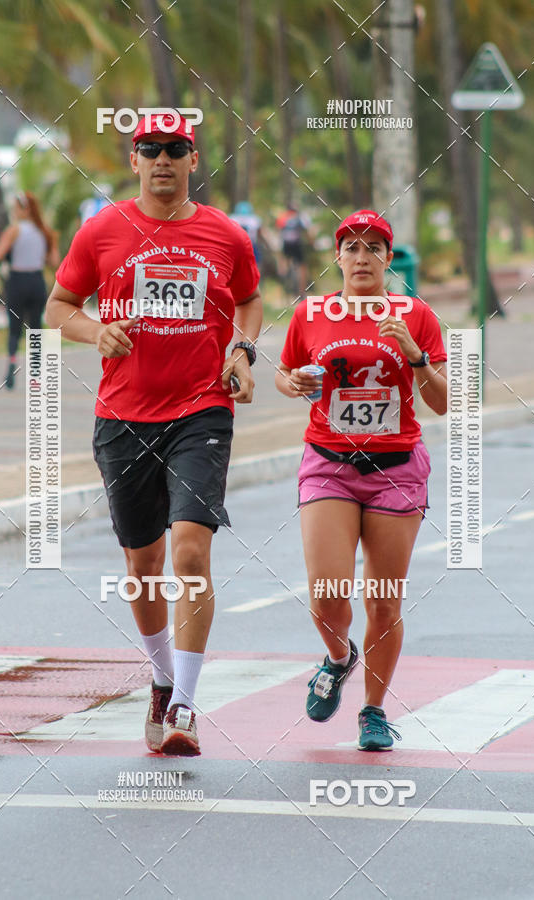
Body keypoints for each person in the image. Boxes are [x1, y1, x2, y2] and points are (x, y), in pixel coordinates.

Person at [45, 112, 262, 756]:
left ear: (193, 160)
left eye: (175, 149)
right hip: (123, 417)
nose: (162, 159)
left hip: (201, 410)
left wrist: (242, 350)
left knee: (192, 551)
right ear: (134, 159)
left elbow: (249, 298)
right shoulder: (102, 231)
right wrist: (96, 331)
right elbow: (59, 307)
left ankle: (188, 709)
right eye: (150, 149)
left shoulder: (224, 234)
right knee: (144, 565)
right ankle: (163, 680)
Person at [275, 209, 447, 751]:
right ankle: (338, 657)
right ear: (338, 257)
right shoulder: (312, 313)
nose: (362, 257)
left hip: (395, 469)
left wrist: (415, 356)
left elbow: (443, 403)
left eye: (374, 247)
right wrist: (295, 381)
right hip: (329, 462)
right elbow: (285, 375)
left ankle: (373, 711)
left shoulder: (416, 314)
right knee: (327, 595)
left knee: (384, 601)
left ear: (389, 259)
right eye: (351, 247)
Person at [0, 191, 60, 389]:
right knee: (35, 328)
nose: (15, 212)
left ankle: (11, 366)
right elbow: (54, 261)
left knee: (14, 328)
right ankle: (35, 375)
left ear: (25, 209)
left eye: (17, 207)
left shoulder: (14, 230)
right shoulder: (45, 231)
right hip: (37, 281)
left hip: (17, 280)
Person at [276, 204, 311, 297]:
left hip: (286, 245)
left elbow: (279, 231)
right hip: (297, 245)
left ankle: (284, 282)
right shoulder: (300, 217)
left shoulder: (283, 218)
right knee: (302, 268)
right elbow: (307, 232)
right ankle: (302, 293)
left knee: (284, 265)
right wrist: (312, 242)